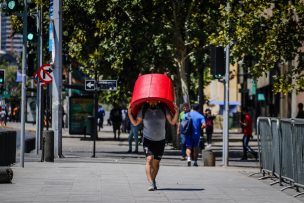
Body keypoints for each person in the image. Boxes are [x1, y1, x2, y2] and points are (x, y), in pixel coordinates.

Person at [128, 100, 179, 191]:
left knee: (156, 163)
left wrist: (177, 112)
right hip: (148, 139)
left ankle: (153, 179)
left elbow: (172, 122)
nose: (152, 103)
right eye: (151, 101)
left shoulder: (163, 108)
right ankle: (150, 182)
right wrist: (129, 114)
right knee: (149, 159)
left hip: (160, 140)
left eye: (154, 100)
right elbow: (135, 123)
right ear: (148, 100)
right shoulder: (143, 109)